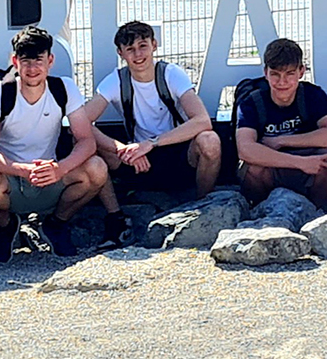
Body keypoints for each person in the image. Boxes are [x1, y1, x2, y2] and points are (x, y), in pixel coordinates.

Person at [81, 22, 222, 246]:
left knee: (210, 141)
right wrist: (122, 149)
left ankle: (202, 207)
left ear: (154, 45)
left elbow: (202, 120)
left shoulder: (171, 74)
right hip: (138, 160)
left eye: (143, 46)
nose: (138, 54)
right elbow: (81, 123)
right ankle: (116, 218)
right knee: (88, 146)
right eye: (130, 49)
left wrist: (152, 143)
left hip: (177, 153)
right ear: (121, 53)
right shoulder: (116, 80)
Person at [0, 26, 106, 261]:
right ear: (15, 61)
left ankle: (56, 224)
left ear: (50, 61)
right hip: (10, 179)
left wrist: (60, 168)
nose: (32, 68)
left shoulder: (64, 88)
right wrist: (21, 170)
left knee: (97, 169)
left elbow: (86, 141)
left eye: (38, 60)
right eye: (26, 61)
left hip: (51, 176)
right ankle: (5, 227)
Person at [234, 39, 327, 205]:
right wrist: (300, 163)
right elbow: (245, 149)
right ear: (266, 73)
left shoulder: (312, 94)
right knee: (252, 167)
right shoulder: (251, 102)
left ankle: (314, 210)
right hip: (273, 164)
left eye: (289, 74)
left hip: (307, 162)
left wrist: (281, 141)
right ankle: (260, 210)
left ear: (301, 72)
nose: (282, 82)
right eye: (275, 74)